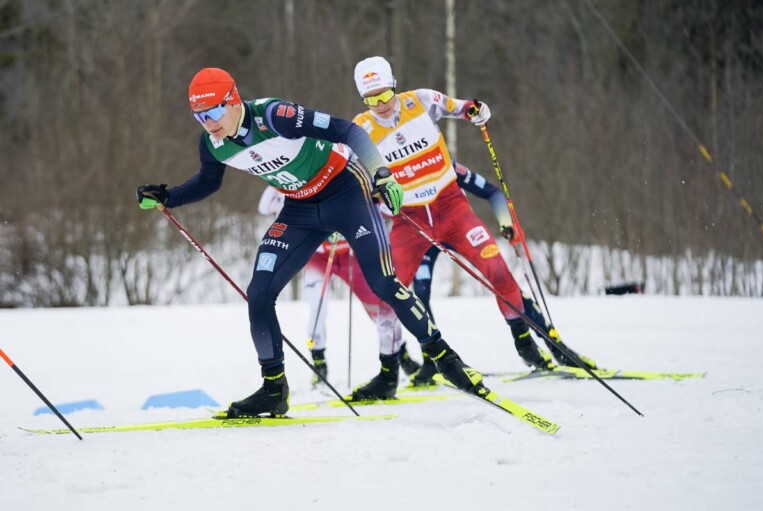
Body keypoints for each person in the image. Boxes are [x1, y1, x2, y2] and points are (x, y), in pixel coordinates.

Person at [136, 67, 483, 417]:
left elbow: (348, 130)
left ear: (233, 99)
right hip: (299, 209)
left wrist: (381, 172)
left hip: (345, 192)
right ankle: (274, 389)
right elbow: (208, 182)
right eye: (199, 116)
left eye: (213, 113)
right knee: (259, 293)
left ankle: (446, 360)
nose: (208, 123)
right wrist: (169, 196)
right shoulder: (212, 143)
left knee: (383, 283)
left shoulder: (274, 115)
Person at [351, 56, 596, 388]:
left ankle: (525, 341)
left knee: (498, 271)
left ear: (394, 85)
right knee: (391, 295)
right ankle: (392, 371)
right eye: (370, 99)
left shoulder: (419, 101)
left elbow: (462, 108)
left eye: (383, 95)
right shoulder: (360, 129)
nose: (379, 105)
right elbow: (349, 171)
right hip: (411, 223)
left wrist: (476, 110)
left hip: (451, 210)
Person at [410, 163, 597, 377]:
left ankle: (556, 349)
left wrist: (506, 223)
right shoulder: (391, 166)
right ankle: (429, 361)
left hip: (456, 230)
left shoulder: (443, 163)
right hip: (422, 238)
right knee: (419, 294)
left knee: (504, 282)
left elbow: (493, 192)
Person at [257, 187, 421, 388]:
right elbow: (264, 207)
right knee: (318, 305)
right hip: (317, 257)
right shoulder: (295, 182)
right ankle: (319, 363)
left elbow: (388, 209)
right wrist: (279, 186)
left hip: (349, 255)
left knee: (379, 306)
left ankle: (401, 355)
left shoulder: (347, 177)